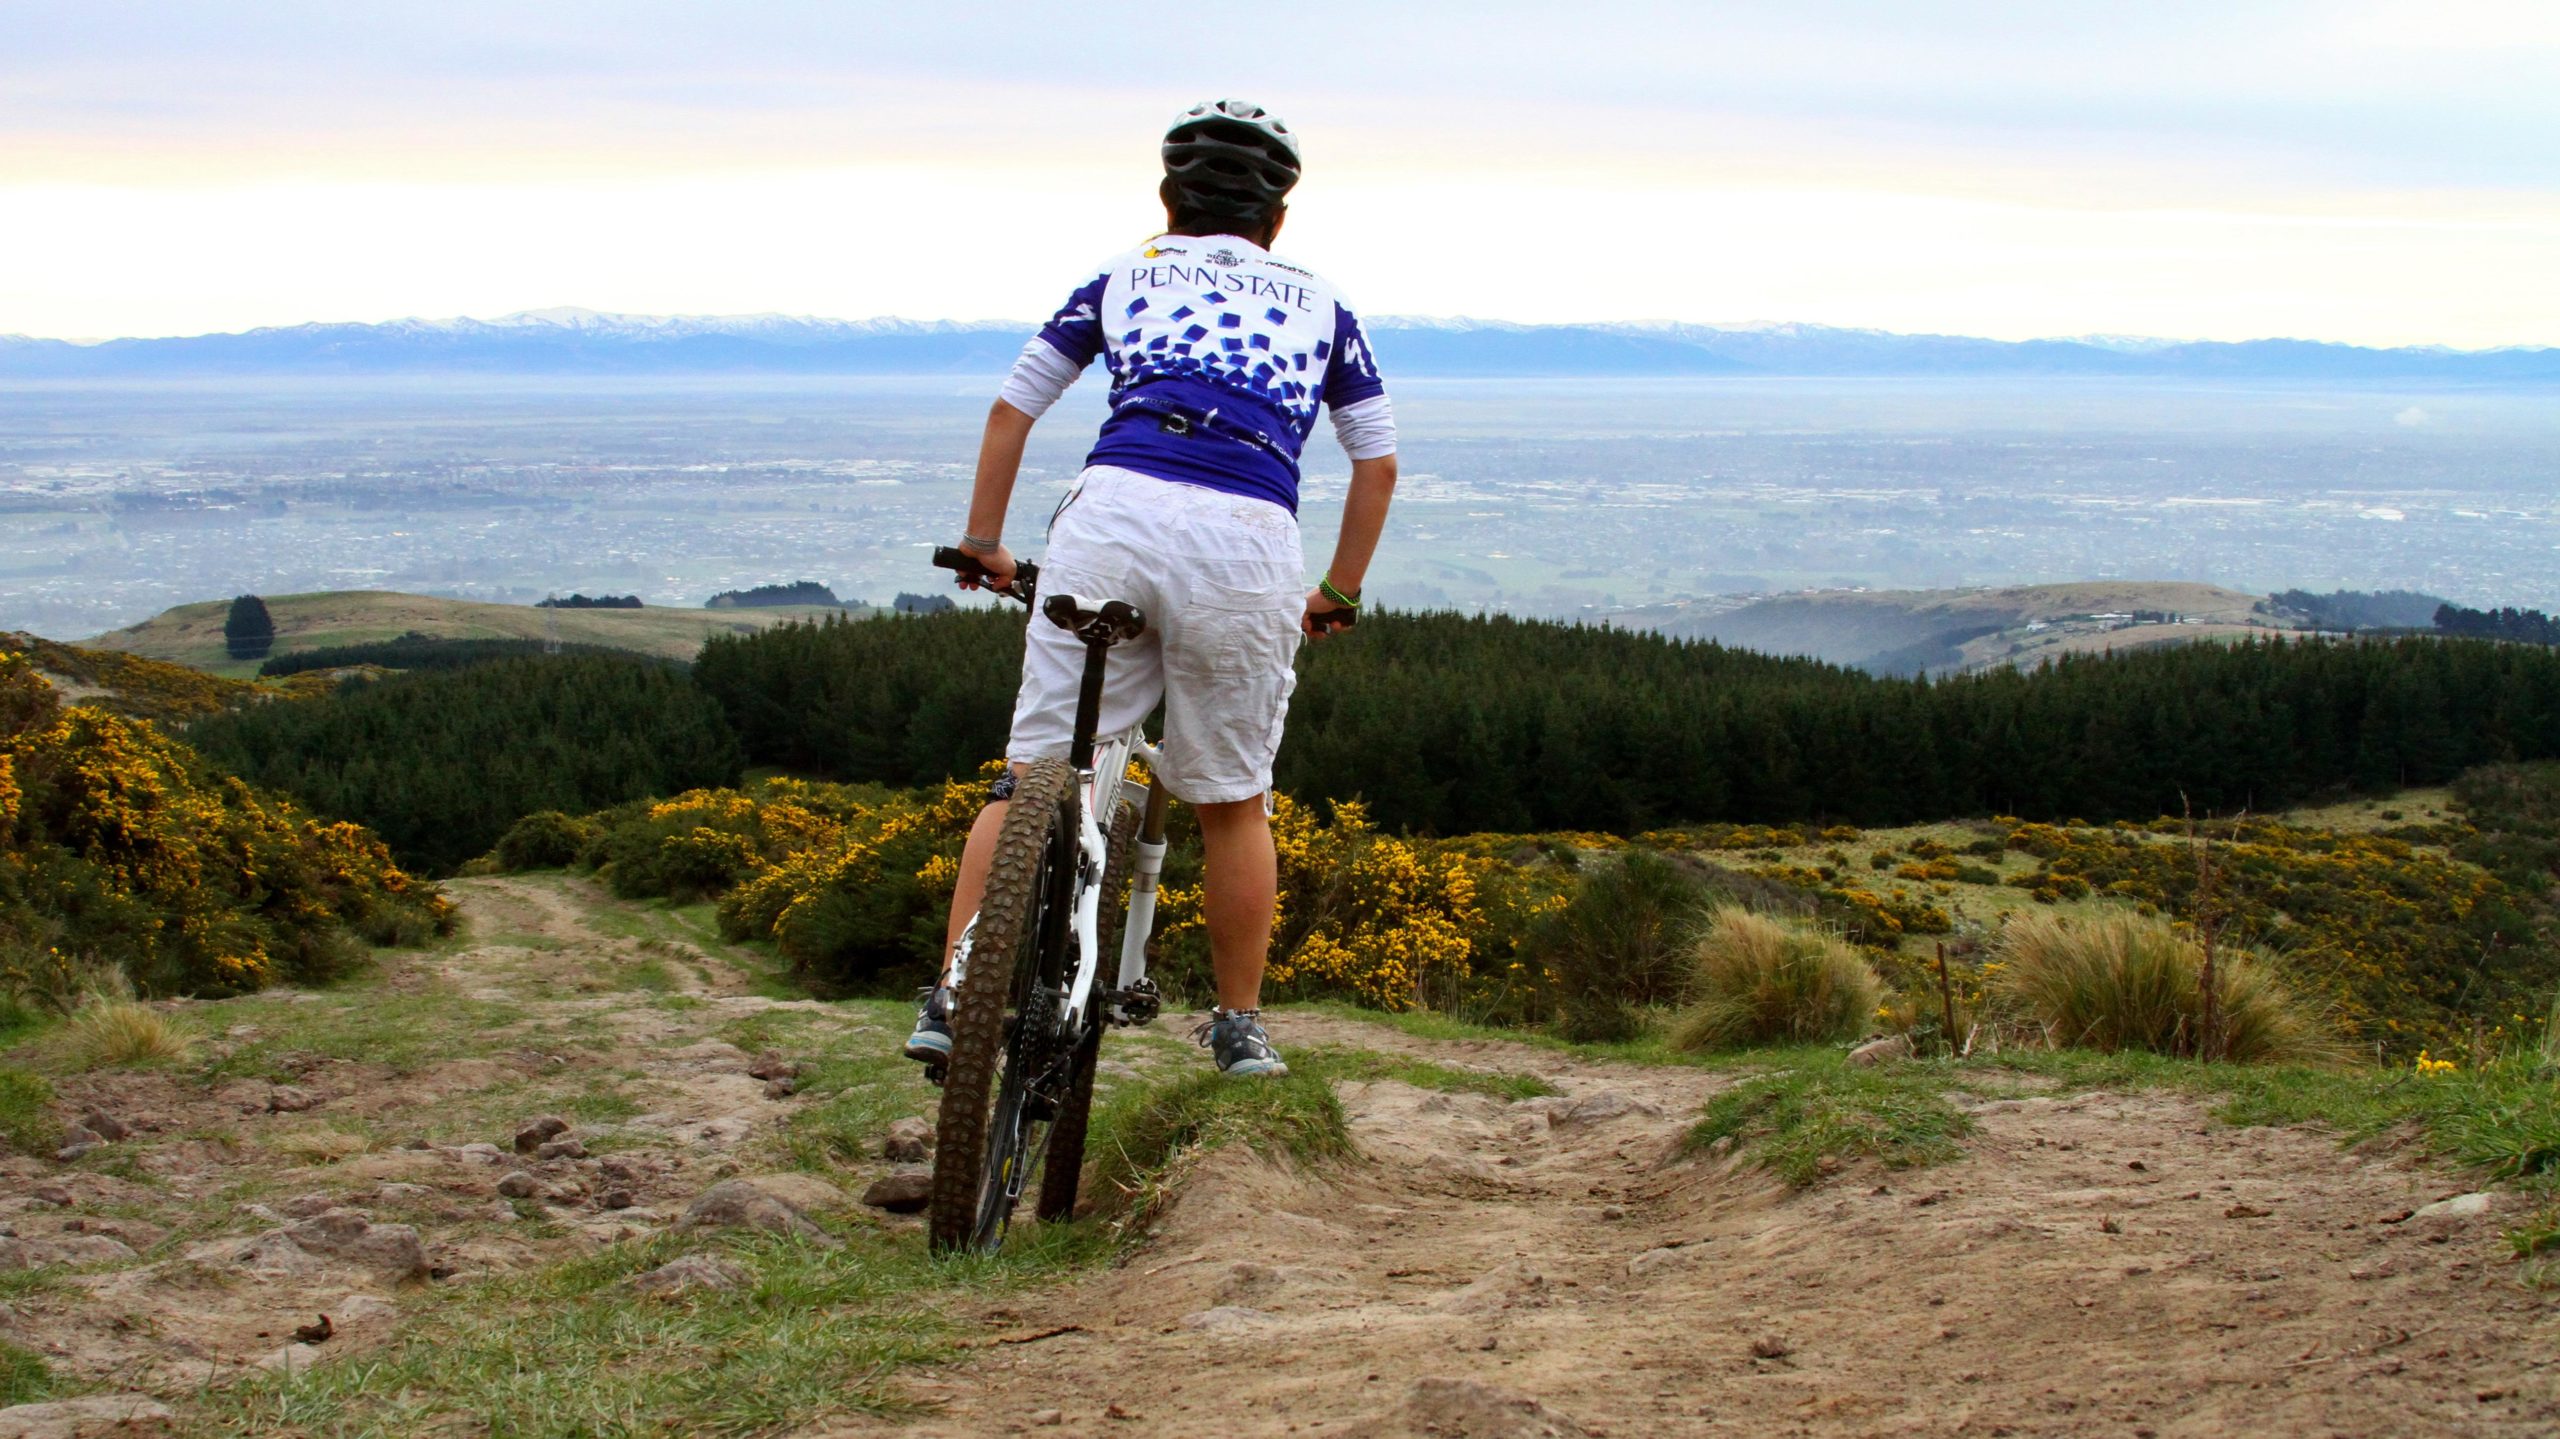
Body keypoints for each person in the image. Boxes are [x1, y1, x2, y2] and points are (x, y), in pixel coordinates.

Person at [905, 98, 1399, 1079]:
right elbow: (1375, 464)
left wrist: (981, 541)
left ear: (1168, 199)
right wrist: (1338, 589)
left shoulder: (1120, 276)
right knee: (1231, 800)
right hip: (1246, 542)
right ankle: (1237, 1024)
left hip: (1109, 519)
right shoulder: (1324, 306)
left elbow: (1013, 406)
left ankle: (955, 992)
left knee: (1035, 768)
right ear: (1279, 221)